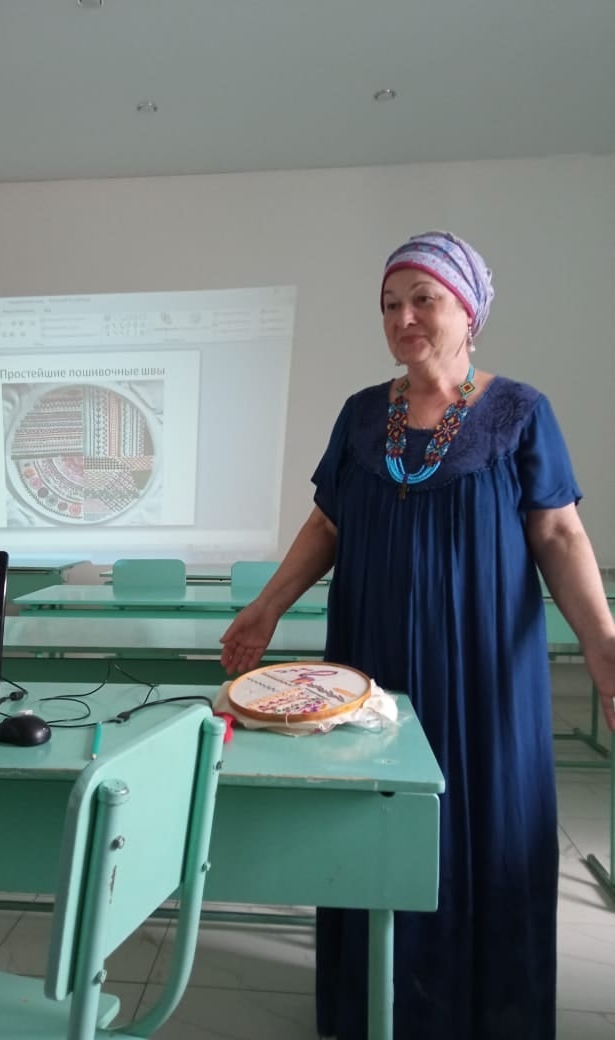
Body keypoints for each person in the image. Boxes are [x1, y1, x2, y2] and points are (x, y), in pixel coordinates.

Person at [219, 230, 615, 1040]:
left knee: (488, 822)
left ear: (468, 311)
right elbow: (328, 524)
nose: (404, 317)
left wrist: (604, 649)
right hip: (371, 664)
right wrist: (265, 608)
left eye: (423, 299)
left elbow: (560, 534)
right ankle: (373, 1005)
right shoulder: (363, 415)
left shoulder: (519, 412)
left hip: (484, 672)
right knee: (368, 819)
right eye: (390, 304)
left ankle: (487, 1014)